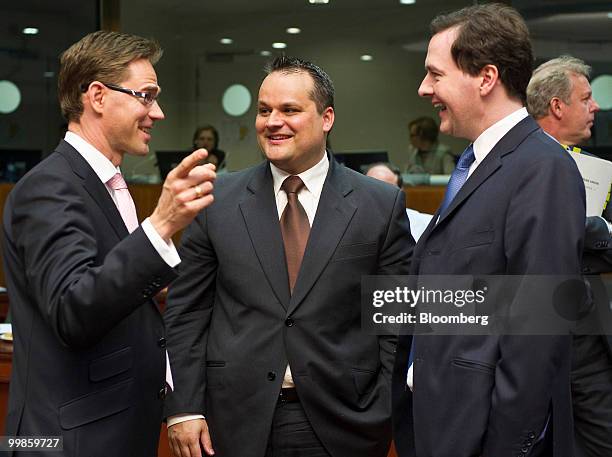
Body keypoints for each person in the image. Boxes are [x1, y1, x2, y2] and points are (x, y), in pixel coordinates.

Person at [163, 56, 414, 457]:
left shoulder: (378, 205)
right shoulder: (217, 201)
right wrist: (184, 408)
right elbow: (186, 314)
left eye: (289, 110)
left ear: (326, 118)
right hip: (233, 420)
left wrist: (383, 407)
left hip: (345, 421)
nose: (272, 121)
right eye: (264, 111)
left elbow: (396, 321)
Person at [2, 31, 215, 457]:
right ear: (97, 96)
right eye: (146, 96)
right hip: (65, 440)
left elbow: (107, 285)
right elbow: (73, 310)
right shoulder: (49, 187)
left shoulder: (108, 186)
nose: (157, 112)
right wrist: (160, 227)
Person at [391, 4, 585, 457]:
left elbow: (537, 331)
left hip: (484, 436)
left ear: (485, 77)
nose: (424, 89)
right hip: (441, 422)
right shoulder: (478, 165)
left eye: (435, 75)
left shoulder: (541, 169)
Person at [527, 55, 612, 457]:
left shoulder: (594, 169)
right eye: (586, 97)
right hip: (544, 336)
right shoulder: (524, 164)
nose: (595, 106)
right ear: (557, 106)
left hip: (588, 330)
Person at [365, 163, 433, 241]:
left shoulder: (427, 224)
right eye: (372, 188)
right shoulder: (351, 224)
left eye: (386, 189)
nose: (379, 195)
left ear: (400, 193)